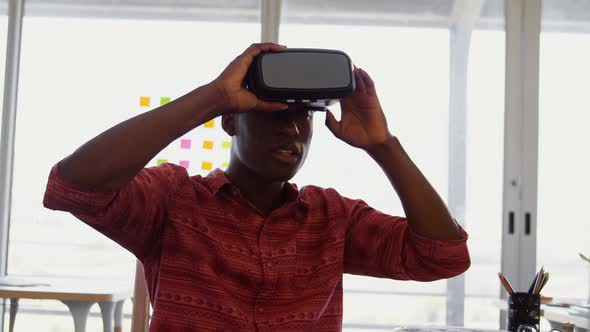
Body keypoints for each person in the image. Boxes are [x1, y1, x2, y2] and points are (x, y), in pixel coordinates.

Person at [43, 43, 470, 332]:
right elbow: (72, 186)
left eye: (305, 114)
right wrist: (213, 96)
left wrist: (383, 146)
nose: (292, 128)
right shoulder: (174, 200)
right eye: (273, 111)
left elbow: (442, 256)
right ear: (231, 120)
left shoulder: (333, 218)